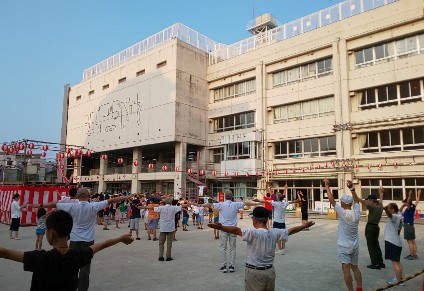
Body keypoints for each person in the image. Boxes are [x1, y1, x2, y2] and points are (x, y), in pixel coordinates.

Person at [0, 210, 134, 291]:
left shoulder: (40, 258)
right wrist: (121, 238)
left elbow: (5, 252)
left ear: (51, 233)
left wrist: (120, 238)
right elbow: (102, 244)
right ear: (69, 234)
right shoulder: (78, 255)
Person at [28, 187, 132, 291]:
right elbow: (112, 200)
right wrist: (126, 196)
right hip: (88, 240)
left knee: (71, 265)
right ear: (88, 196)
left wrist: (39, 205)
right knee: (85, 269)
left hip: (74, 239)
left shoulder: (72, 206)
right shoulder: (94, 206)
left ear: (77, 197)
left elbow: (54, 204)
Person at [208, 207, 314, 291]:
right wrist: (304, 226)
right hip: (270, 272)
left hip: (255, 273)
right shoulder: (275, 232)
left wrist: (222, 227)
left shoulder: (253, 233)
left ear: (255, 220)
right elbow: (291, 230)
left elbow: (236, 230)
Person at [197, 190, 259, 273]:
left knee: (223, 247)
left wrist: (199, 204)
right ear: (232, 196)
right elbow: (247, 203)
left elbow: (210, 204)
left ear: (225, 196)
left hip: (224, 229)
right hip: (233, 229)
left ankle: (223, 265)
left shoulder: (221, 204)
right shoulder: (236, 204)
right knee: (233, 248)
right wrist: (258, 203)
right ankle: (232, 265)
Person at [325, 179, 362, 291]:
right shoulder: (356, 212)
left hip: (344, 246)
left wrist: (327, 186)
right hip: (355, 246)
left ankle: (350, 290)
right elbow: (356, 201)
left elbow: (331, 200)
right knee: (355, 267)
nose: (340, 202)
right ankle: (359, 287)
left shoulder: (343, 213)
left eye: (341, 201)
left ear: (344, 203)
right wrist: (352, 189)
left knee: (346, 270)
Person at [253, 183, 299, 254]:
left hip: (277, 222)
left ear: (277, 198)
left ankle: (280, 249)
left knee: (277, 236)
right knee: (283, 236)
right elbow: (291, 202)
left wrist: (258, 200)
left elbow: (265, 201)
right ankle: (283, 250)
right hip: (283, 222)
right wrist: (296, 201)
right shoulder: (285, 203)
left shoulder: (275, 203)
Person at [350, 183, 385, 269]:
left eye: (368, 200)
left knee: (371, 246)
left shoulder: (372, 207)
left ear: (371, 201)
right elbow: (381, 200)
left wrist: (353, 191)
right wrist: (381, 193)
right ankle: (380, 262)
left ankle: (375, 263)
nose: (367, 201)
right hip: (376, 227)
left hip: (370, 227)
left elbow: (361, 201)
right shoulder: (380, 207)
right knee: (376, 245)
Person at [153, 197, 182, 261]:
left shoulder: (161, 207)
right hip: (170, 227)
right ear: (171, 202)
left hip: (163, 227)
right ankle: (168, 256)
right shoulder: (174, 208)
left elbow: (151, 208)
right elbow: (182, 206)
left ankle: (161, 256)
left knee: (161, 242)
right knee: (169, 243)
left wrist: (140, 206)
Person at [383, 203, 404, 286]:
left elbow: (390, 215)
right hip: (397, 242)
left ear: (392, 210)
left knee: (395, 263)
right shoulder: (399, 215)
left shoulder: (395, 217)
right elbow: (398, 210)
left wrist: (386, 210)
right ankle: (399, 277)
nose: (387, 210)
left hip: (392, 242)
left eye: (389, 208)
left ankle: (399, 281)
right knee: (398, 262)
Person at [400, 189, 421, 260]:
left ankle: (412, 255)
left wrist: (409, 195)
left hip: (408, 226)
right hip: (411, 225)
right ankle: (414, 254)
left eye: (404, 203)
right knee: (412, 241)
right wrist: (418, 194)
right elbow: (417, 200)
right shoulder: (413, 207)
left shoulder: (409, 208)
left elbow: (408, 201)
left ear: (407, 203)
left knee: (410, 241)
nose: (404, 204)